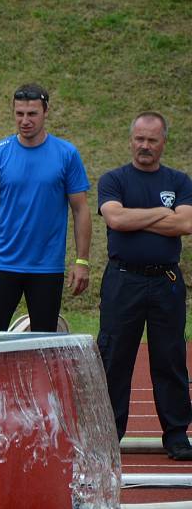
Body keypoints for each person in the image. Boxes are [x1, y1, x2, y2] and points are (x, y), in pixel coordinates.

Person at [97, 111, 192, 461]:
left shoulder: (180, 181)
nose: (145, 146)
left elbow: (186, 224)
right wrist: (162, 215)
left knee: (169, 357)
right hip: (123, 280)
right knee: (115, 357)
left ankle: (177, 433)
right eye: (139, 138)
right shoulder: (114, 179)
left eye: (152, 140)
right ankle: (109, 434)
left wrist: (138, 217)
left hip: (165, 281)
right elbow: (116, 218)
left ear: (164, 142)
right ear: (130, 139)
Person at [0, 83, 92, 332]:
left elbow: (81, 210)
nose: (25, 120)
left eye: (32, 114)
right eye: (19, 113)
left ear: (46, 112)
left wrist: (82, 261)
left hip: (47, 267)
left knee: (43, 345)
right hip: (3, 264)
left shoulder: (67, 154)